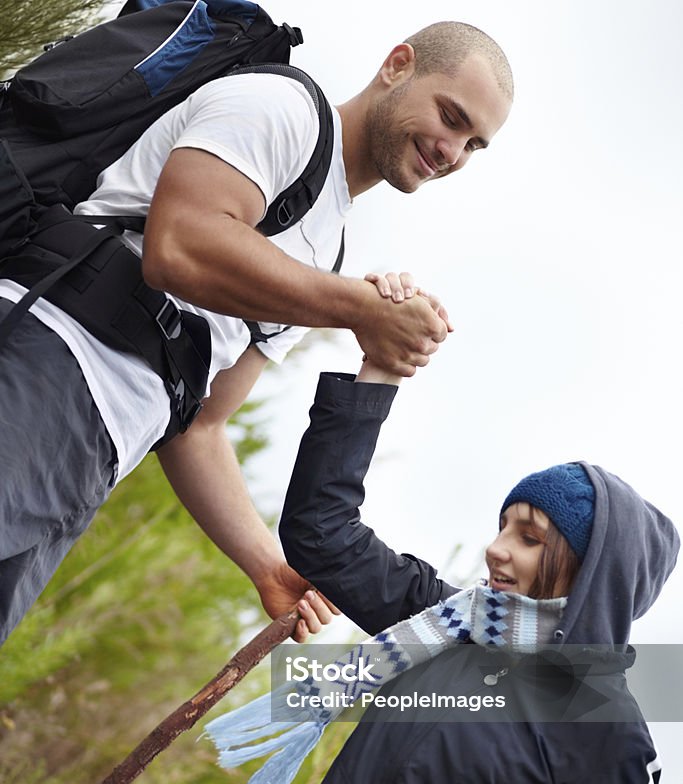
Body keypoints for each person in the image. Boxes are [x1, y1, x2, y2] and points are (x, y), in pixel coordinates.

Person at [76, 283, 679, 784]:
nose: (494, 550)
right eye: (501, 525)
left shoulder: (607, 733)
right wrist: (378, 371)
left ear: (594, 572)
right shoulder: (446, 627)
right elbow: (322, 532)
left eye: (529, 538)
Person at [0, 21, 513, 648]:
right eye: (451, 116)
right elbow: (178, 245)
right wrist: (360, 309)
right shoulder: (284, 109)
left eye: (474, 144)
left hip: (91, 461)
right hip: (47, 358)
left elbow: (202, 424)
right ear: (398, 66)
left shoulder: (325, 249)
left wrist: (265, 565)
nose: (452, 151)